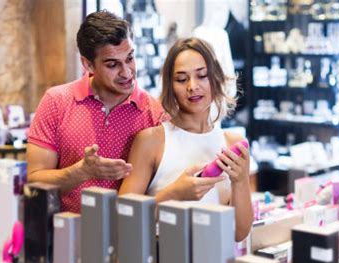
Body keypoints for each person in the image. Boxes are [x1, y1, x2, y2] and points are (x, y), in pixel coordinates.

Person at [27, 11, 164, 213]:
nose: (126, 72)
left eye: (130, 58)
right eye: (112, 64)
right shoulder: (56, 102)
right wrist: (81, 172)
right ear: (88, 64)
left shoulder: (154, 113)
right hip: (66, 233)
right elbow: (34, 180)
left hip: (128, 235)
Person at [119, 37, 253, 241]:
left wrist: (241, 181)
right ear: (170, 86)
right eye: (181, 79)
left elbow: (239, 232)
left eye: (202, 76)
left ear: (215, 78)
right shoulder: (151, 141)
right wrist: (174, 194)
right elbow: (124, 219)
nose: (192, 86)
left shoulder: (232, 143)